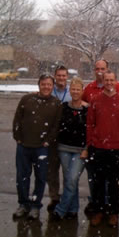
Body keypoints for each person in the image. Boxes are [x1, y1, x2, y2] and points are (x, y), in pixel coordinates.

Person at [12, 74, 62, 220]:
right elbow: (17, 119)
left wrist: (47, 141)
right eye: (43, 84)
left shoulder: (56, 103)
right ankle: (23, 204)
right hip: (24, 146)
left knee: (40, 178)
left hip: (42, 148)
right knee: (22, 177)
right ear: (38, 85)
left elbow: (55, 126)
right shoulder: (26, 100)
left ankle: (35, 206)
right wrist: (18, 137)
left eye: (49, 85)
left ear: (53, 87)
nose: (46, 87)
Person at [82, 59, 119, 215]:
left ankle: (113, 213)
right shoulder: (95, 99)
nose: (109, 82)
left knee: (114, 183)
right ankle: (98, 211)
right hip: (98, 147)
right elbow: (90, 124)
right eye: (106, 80)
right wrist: (90, 144)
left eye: (111, 80)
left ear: (116, 81)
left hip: (117, 148)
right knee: (98, 182)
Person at [50, 77, 88, 221]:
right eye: (73, 89)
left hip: (80, 150)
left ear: (82, 91)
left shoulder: (87, 109)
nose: (75, 92)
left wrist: (87, 148)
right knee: (69, 180)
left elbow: (91, 131)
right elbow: (57, 125)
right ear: (70, 90)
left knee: (72, 178)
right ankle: (73, 209)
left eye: (78, 89)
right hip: (64, 148)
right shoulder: (64, 106)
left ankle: (60, 210)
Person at [47, 65, 72, 212]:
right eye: (59, 75)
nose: (61, 78)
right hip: (51, 137)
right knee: (52, 171)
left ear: (67, 77)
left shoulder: (72, 92)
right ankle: (54, 197)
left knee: (68, 172)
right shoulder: (50, 90)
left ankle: (68, 199)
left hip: (67, 137)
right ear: (55, 76)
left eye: (64, 75)